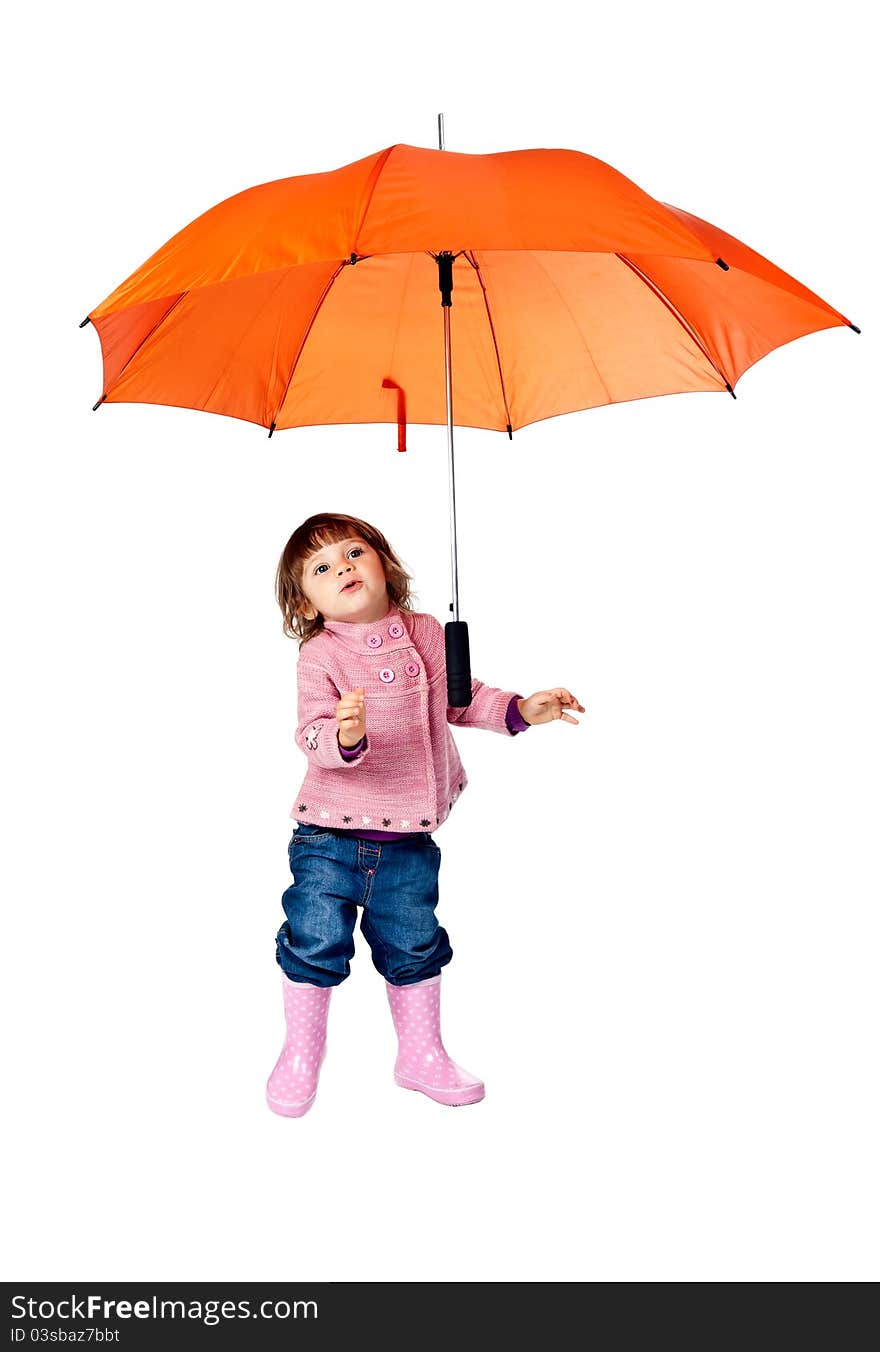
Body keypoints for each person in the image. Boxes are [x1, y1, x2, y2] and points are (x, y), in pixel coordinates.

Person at [266, 512, 585, 1116]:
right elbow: (310, 733)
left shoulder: (426, 633)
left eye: (355, 553)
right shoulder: (320, 655)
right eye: (323, 568)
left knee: (413, 942)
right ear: (305, 603)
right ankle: (300, 1053)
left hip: (407, 835)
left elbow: (462, 699)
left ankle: (420, 1055)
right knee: (314, 940)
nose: (345, 569)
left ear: (384, 562)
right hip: (328, 836)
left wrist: (522, 707)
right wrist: (345, 733)